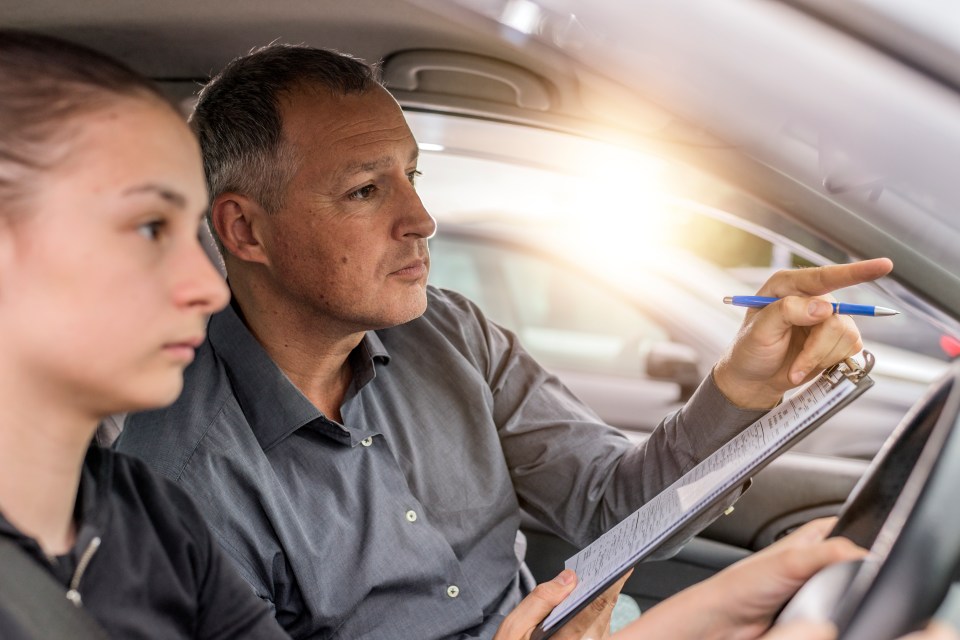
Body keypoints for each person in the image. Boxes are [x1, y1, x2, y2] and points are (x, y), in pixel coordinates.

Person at [0, 27, 953, 640]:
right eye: (367, 190)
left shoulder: (448, 335)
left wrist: (742, 391)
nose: (421, 220)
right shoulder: (173, 467)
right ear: (244, 231)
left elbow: (609, 508)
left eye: (415, 178)